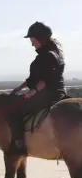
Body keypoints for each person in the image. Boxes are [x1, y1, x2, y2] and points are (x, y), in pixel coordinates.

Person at [6, 21, 67, 155]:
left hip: (47, 94)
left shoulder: (48, 56)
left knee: (13, 111)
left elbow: (45, 81)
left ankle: (19, 145)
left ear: (41, 39)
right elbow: (33, 78)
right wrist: (18, 88)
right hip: (53, 92)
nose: (32, 44)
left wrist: (32, 92)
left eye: (33, 40)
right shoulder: (50, 53)